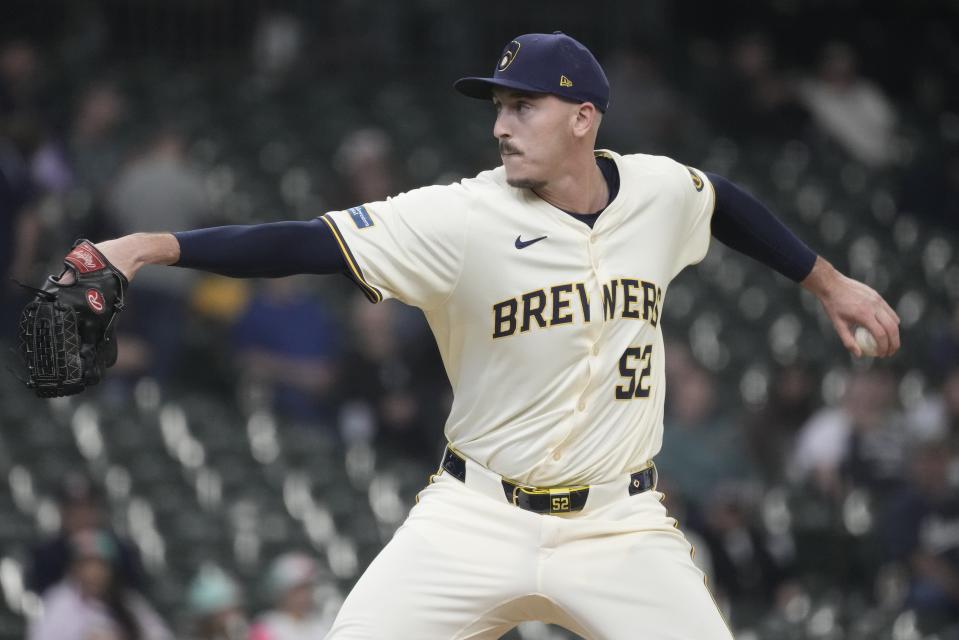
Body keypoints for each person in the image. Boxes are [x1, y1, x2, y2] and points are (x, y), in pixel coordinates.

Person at [71, 32, 900, 638]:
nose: (500, 125)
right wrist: (149, 247)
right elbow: (304, 242)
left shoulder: (654, 191)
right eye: (497, 107)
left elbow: (721, 201)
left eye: (521, 106)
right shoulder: (459, 215)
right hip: (474, 516)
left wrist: (827, 282)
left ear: (584, 118)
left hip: (619, 526)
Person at [27, 529, 173, 640]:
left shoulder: (127, 601)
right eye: (87, 564)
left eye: (100, 565)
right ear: (74, 569)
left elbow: (160, 635)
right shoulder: (58, 602)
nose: (94, 572)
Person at [26, 472, 146, 596]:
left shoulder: (122, 551)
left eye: (88, 507)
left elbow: (134, 595)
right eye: (74, 510)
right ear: (62, 512)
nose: (81, 516)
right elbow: (39, 598)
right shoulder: (46, 555)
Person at [249, 552, 336, 640]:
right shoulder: (266, 626)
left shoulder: (323, 626)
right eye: (297, 590)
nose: (304, 595)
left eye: (308, 588)